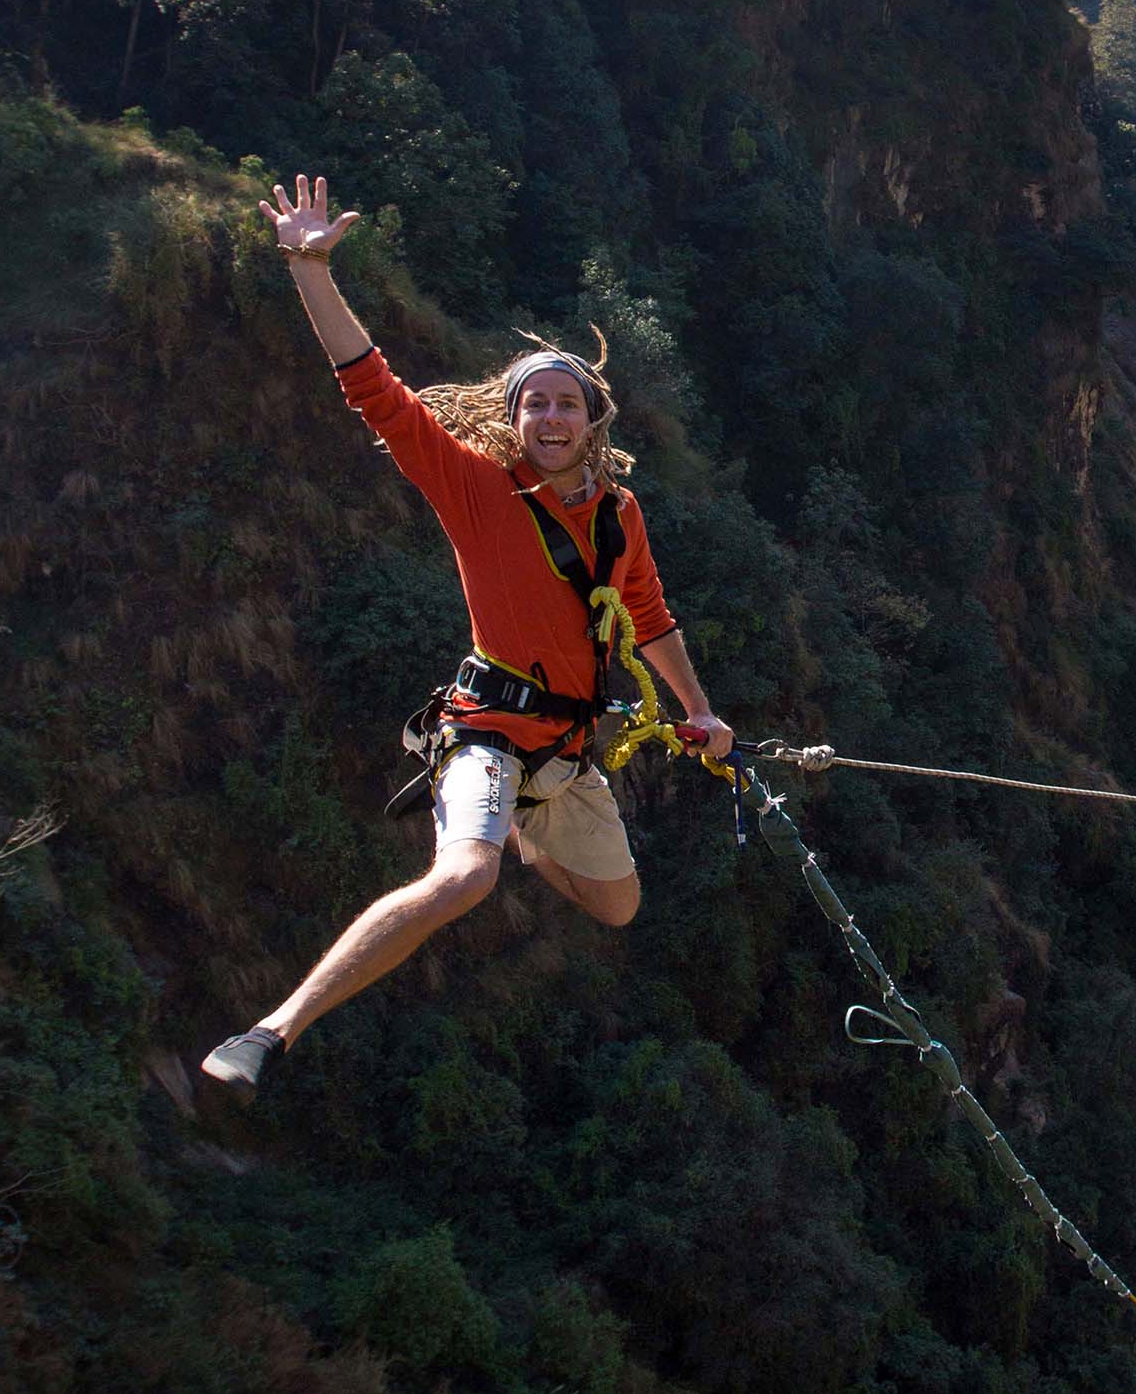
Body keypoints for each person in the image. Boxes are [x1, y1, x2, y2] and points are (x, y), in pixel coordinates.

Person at [201, 176, 735, 1099]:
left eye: (569, 405)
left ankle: (522, 829)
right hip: (486, 729)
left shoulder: (619, 515)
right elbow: (376, 391)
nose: (553, 419)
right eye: (537, 406)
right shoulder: (478, 491)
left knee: (616, 907)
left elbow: (649, 618)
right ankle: (269, 1032)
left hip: (566, 748)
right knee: (463, 882)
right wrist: (310, 267)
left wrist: (699, 712)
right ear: (514, 419)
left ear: (593, 419)